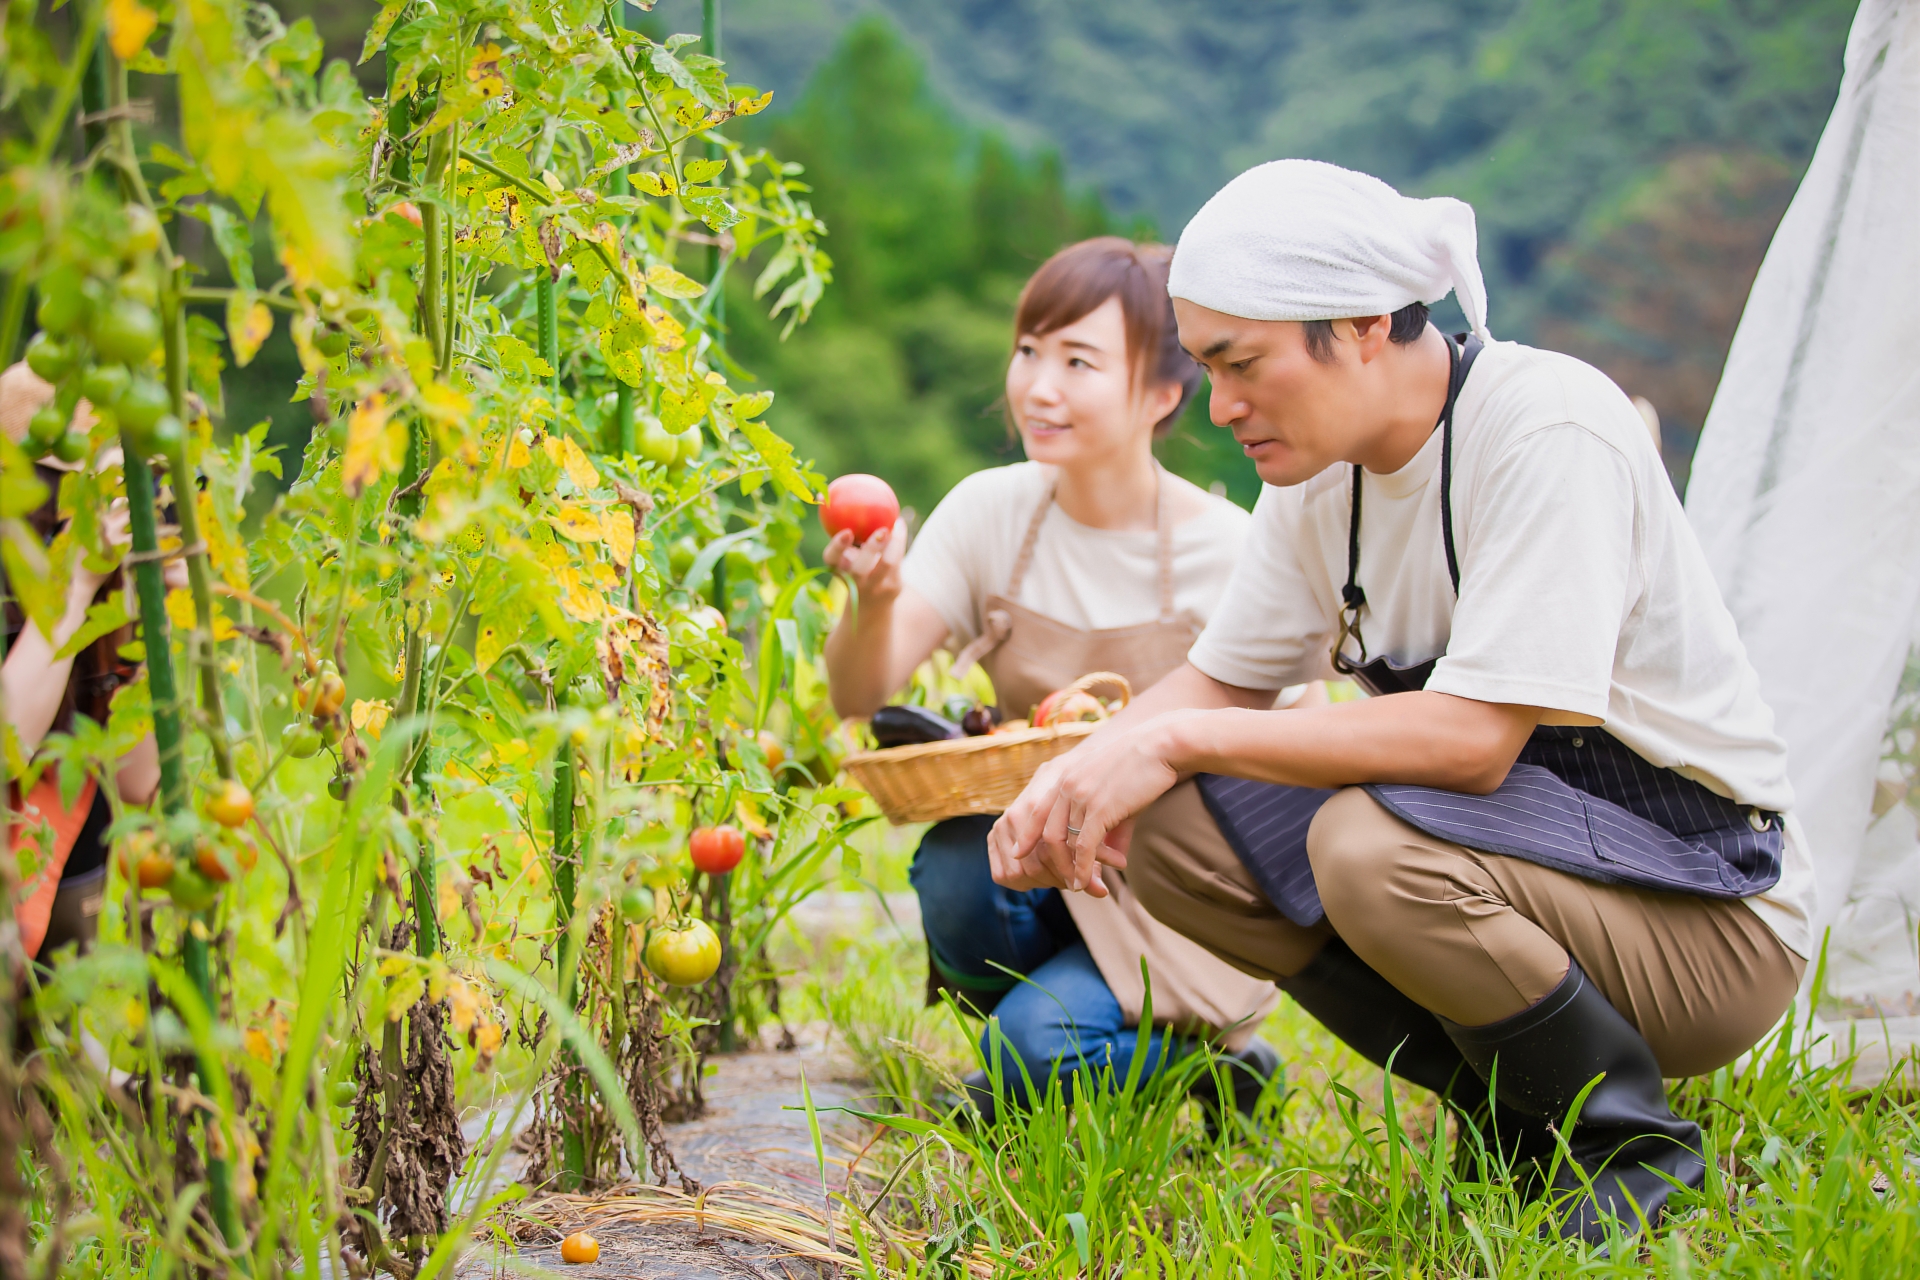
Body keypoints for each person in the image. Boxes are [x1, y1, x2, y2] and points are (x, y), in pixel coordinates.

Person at [987, 162, 1813, 1240]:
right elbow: (1221, 677)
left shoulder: (1547, 428)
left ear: (1368, 324)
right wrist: (1083, 771)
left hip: (1703, 912)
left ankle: (1626, 1145)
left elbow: (1471, 743)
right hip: (1527, 864)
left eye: (1242, 364)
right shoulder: (1316, 474)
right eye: (1204, 365)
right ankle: (1512, 1110)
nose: (1220, 403)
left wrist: (1178, 734)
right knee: (1172, 820)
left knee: (1368, 846)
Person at [823, 238, 1289, 1121]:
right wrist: (875, 600)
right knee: (959, 868)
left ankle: (1204, 1063)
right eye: (1029, 351)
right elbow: (857, 695)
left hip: (1183, 893)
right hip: (1037, 857)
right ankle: (1048, 1044)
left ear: (1160, 392)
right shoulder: (990, 512)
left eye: (1078, 361)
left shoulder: (1225, 552)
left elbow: (1282, 763)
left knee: (1030, 1052)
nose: (1038, 386)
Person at [3, 362, 168, 966]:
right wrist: (72, 588)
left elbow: (137, 780)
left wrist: (148, 613)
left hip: (60, 935)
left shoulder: (102, 594)